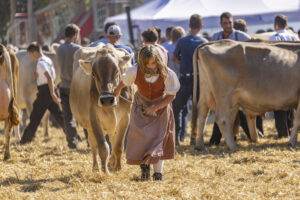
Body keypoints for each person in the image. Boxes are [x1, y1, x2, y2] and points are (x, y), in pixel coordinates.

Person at [114, 45, 180, 181]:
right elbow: (124, 81)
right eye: (147, 64)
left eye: (153, 62)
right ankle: (144, 168)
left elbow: (171, 95)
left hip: (160, 108)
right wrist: (116, 91)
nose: (150, 66)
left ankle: (158, 174)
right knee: (141, 138)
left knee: (158, 140)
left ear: (158, 60)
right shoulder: (135, 71)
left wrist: (156, 107)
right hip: (141, 106)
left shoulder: (166, 73)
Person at [210, 12, 264, 145]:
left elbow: (254, 50)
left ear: (232, 22)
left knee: (237, 107)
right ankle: (252, 134)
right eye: (225, 23)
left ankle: (216, 140)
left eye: (230, 23)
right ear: (221, 24)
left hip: (240, 79)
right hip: (222, 79)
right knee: (224, 107)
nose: (228, 25)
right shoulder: (216, 37)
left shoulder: (242, 36)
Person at [20, 42, 65, 144]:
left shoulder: (40, 62)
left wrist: (52, 93)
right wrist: (38, 78)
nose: (31, 57)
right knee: (60, 116)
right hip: (50, 88)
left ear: (35, 52)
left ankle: (25, 140)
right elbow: (49, 77)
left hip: (45, 91)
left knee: (35, 117)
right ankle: (73, 138)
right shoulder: (47, 60)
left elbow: (48, 76)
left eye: (31, 55)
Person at [172, 14, 208, 145]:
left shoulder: (182, 41)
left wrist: (184, 63)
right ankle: (195, 137)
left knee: (177, 108)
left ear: (189, 25)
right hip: (199, 79)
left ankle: (176, 138)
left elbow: (174, 58)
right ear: (201, 26)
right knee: (198, 109)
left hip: (185, 78)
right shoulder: (204, 42)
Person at [269, 14, 298, 138]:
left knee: (279, 104)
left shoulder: (273, 37)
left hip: (279, 75)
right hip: (294, 74)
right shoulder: (294, 37)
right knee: (292, 103)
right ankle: (292, 130)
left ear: (275, 25)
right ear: (286, 25)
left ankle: (282, 132)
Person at [56, 24, 82, 149]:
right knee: (83, 114)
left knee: (68, 116)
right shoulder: (78, 49)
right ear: (75, 35)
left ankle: (72, 143)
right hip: (76, 86)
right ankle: (89, 140)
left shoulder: (59, 49)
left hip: (64, 85)